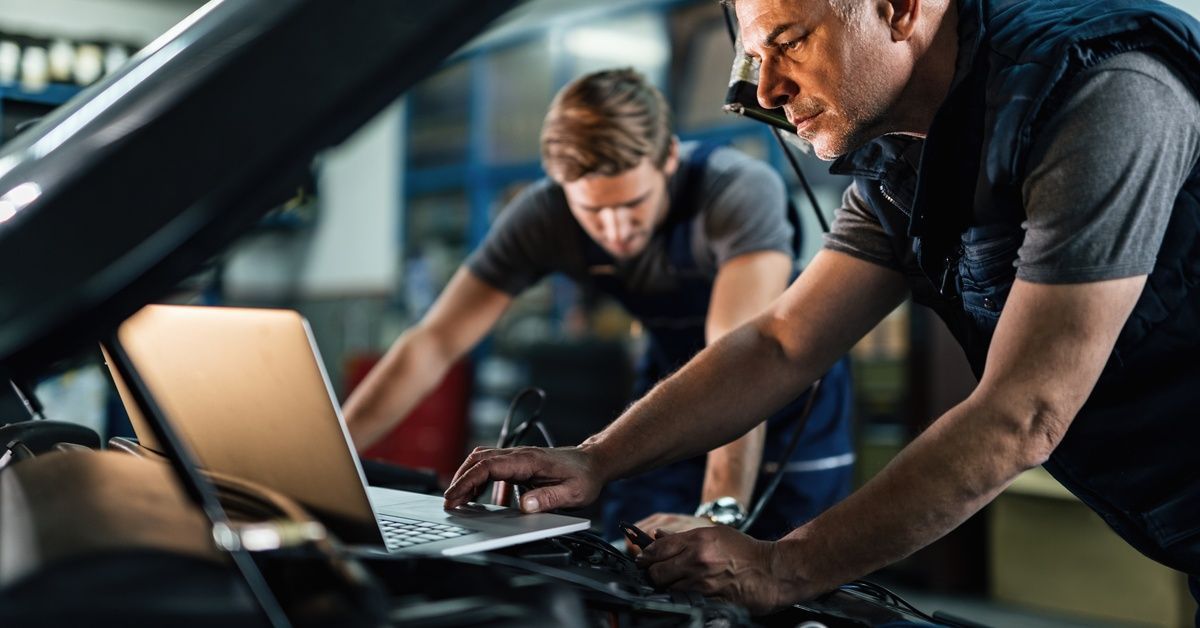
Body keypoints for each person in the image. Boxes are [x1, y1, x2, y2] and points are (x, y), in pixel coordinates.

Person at [443, 0, 1200, 616]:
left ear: (899, 8)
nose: (765, 90)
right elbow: (782, 342)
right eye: (754, 56)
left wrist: (782, 567)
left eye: (790, 42)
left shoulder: (1104, 90)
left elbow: (1025, 410)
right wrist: (596, 458)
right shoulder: (900, 164)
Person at [344, 68, 856, 543]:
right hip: (672, 389)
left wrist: (715, 515)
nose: (615, 230)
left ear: (668, 159)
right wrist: (331, 460)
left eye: (632, 204)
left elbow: (743, 357)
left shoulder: (736, 191)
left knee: (780, 568)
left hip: (785, 396)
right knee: (628, 557)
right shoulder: (543, 216)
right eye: (593, 211)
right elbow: (433, 343)